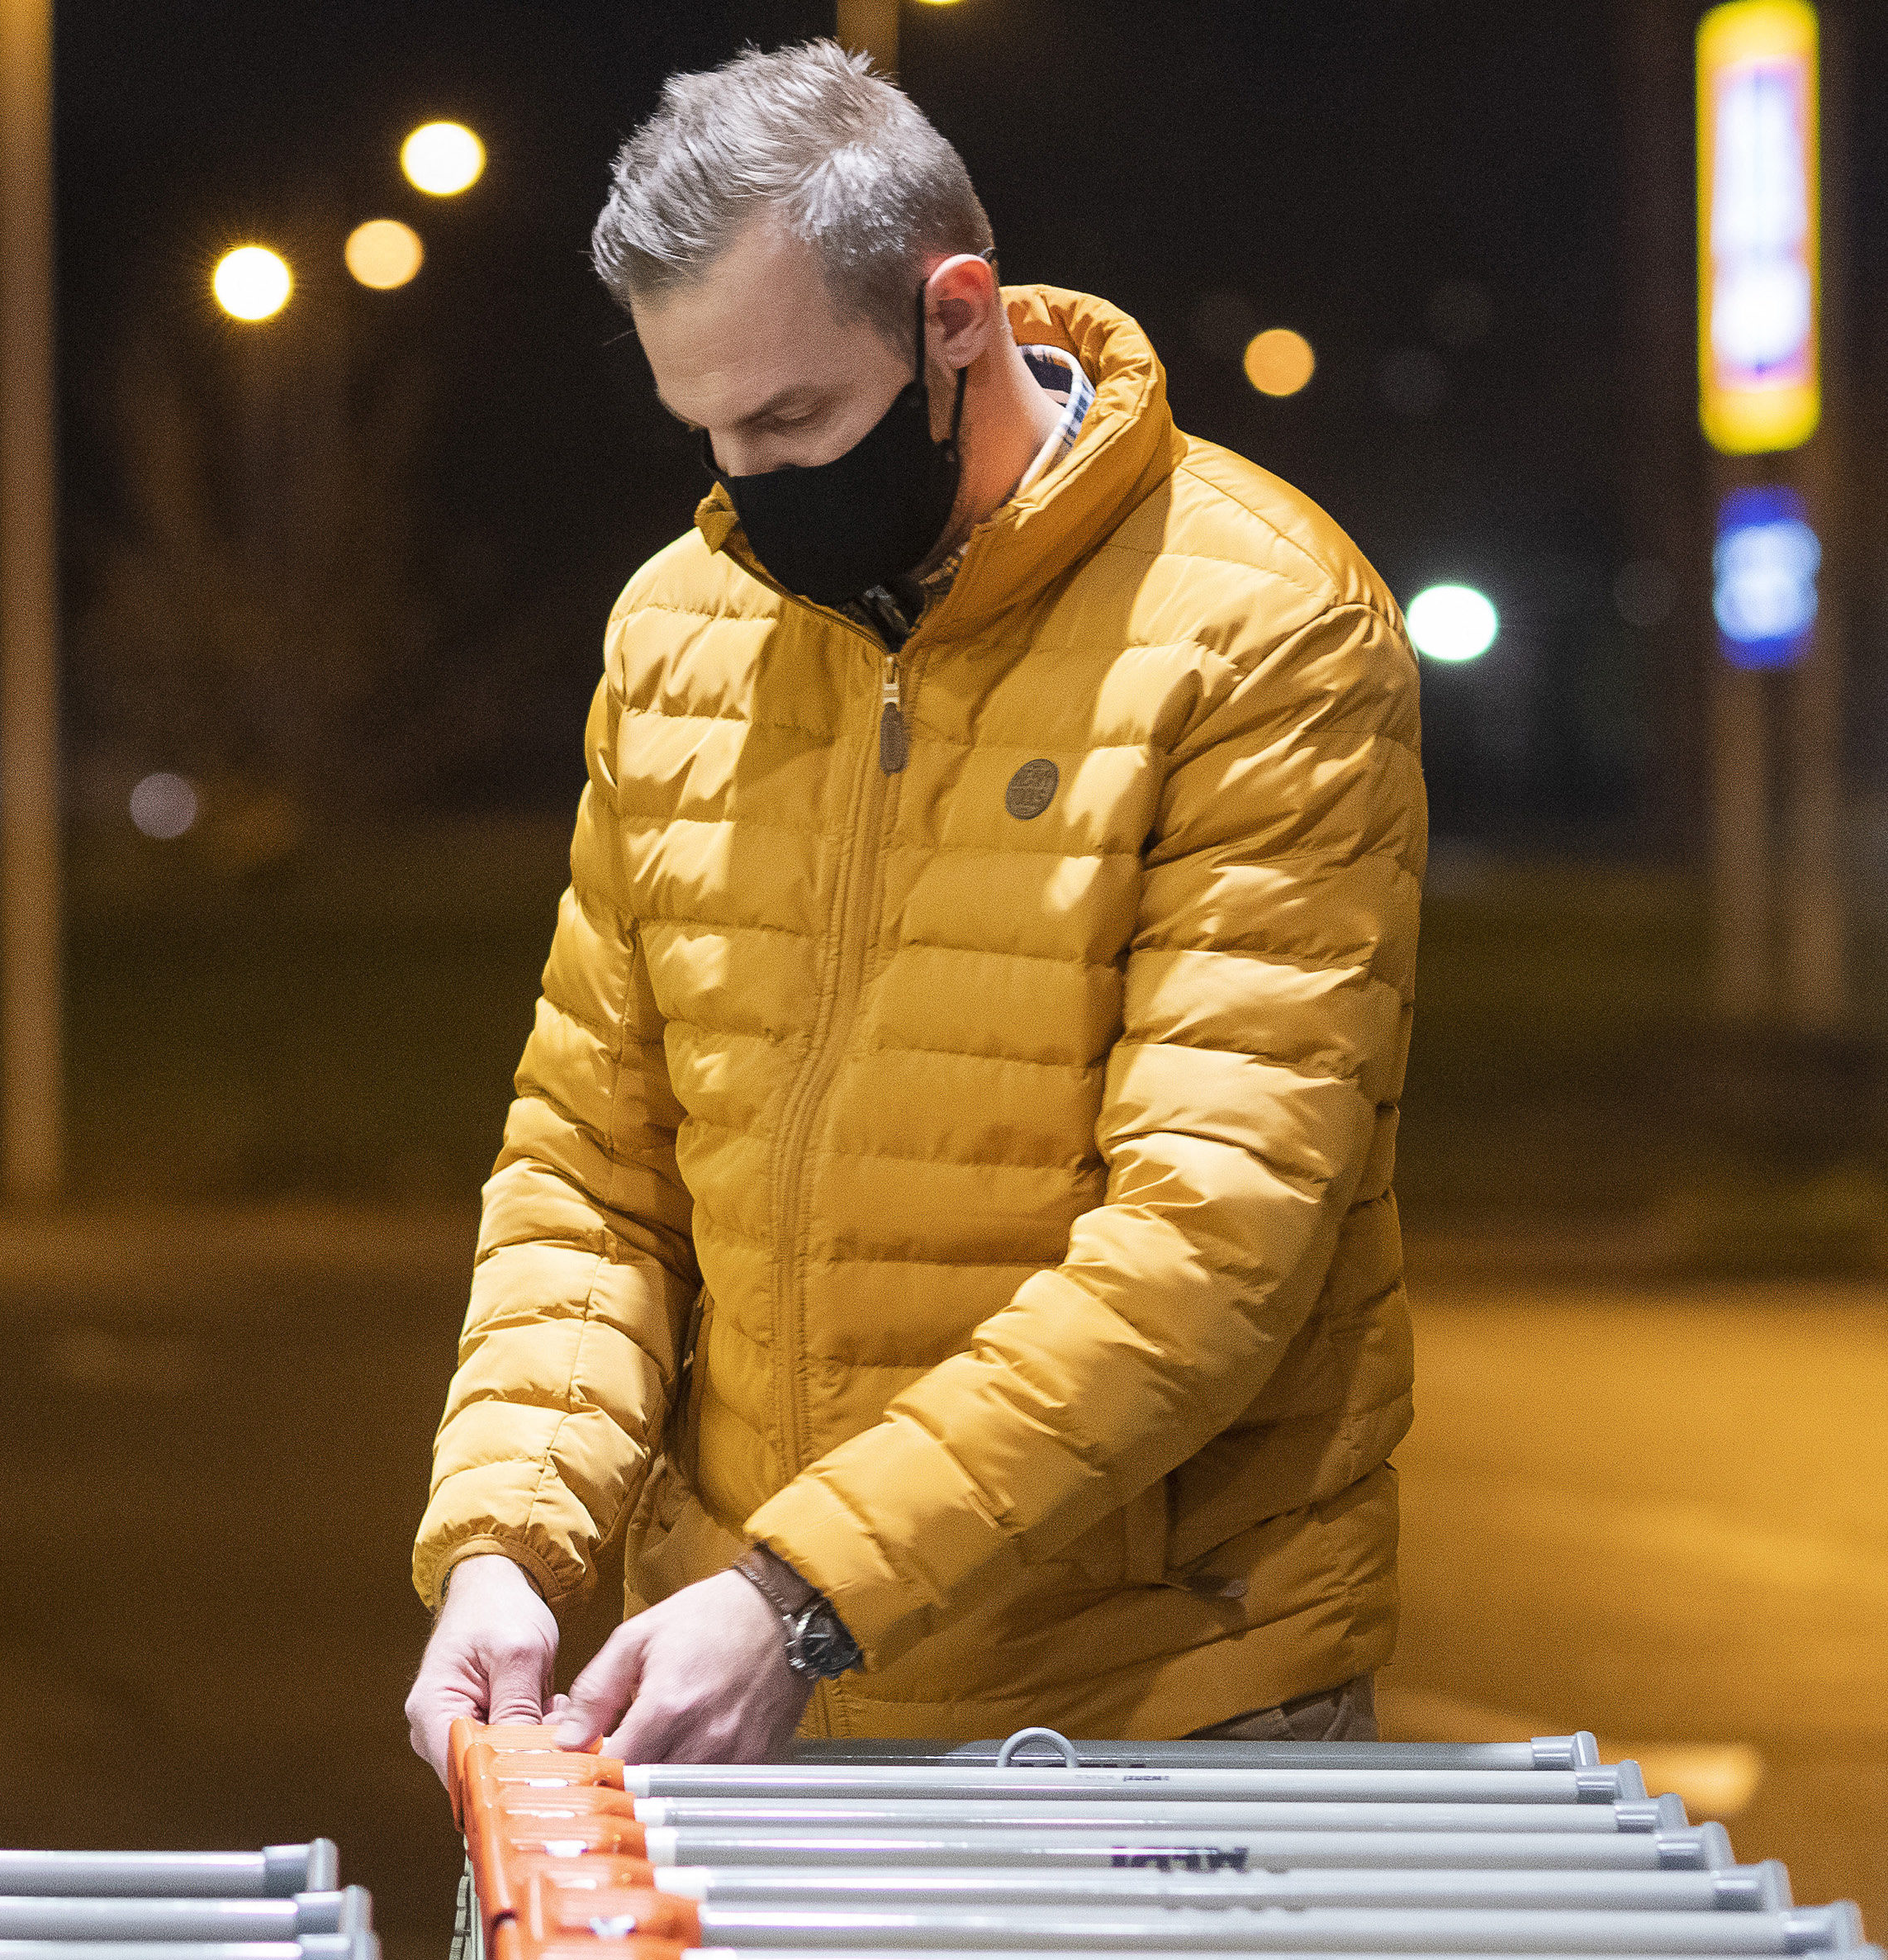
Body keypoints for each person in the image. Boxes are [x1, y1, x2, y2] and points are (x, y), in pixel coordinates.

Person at [403, 42, 1421, 1771]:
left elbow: (1208, 1240)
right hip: (748, 1701)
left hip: (1147, 1713)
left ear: (958, 316)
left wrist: (801, 1588)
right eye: (706, 427)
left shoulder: (1260, 628)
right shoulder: (680, 632)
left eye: (792, 419)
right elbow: (594, 1163)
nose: (746, 482)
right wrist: (510, 1537)